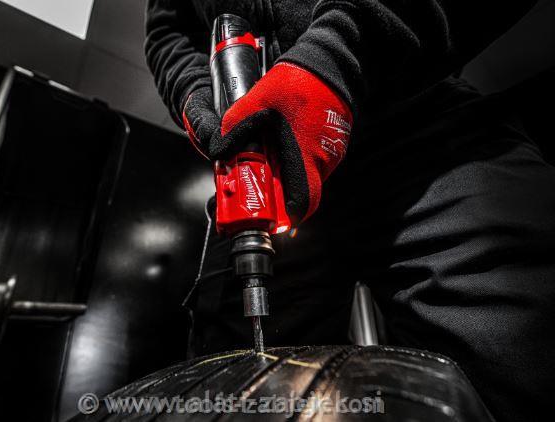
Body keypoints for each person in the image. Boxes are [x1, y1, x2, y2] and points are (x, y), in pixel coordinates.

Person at [144, 1, 555, 421]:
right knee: (233, 387)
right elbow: (168, 33)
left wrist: (338, 57)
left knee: (519, 354)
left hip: (418, 116)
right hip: (266, 161)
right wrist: (194, 94)